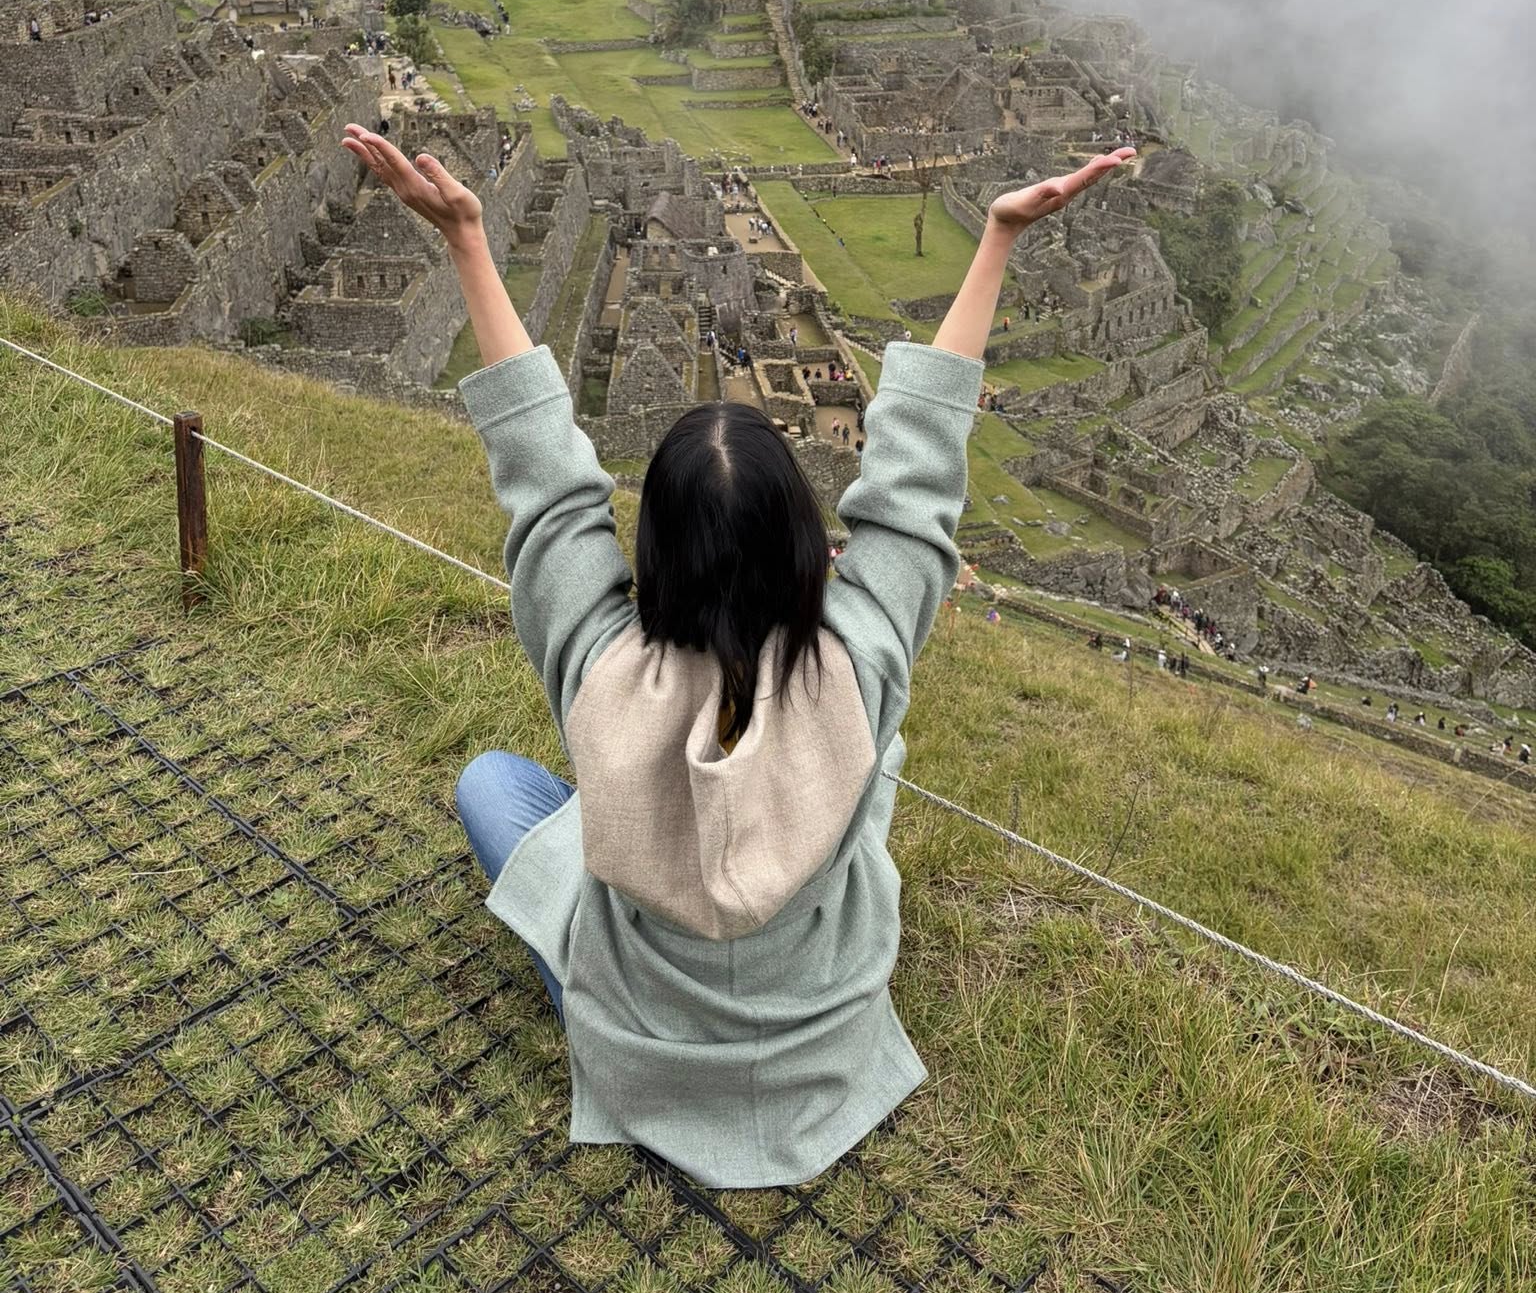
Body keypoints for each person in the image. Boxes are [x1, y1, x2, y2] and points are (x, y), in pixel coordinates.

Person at [340, 119, 1134, 1187]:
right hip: (819, 1052)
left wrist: (469, 245)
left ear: (654, 544)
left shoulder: (598, 666)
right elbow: (913, 486)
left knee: (495, 784)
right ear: (806, 539)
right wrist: (996, 239)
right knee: (876, 764)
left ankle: (617, 931)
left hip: (639, 1052)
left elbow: (544, 482)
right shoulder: (855, 663)